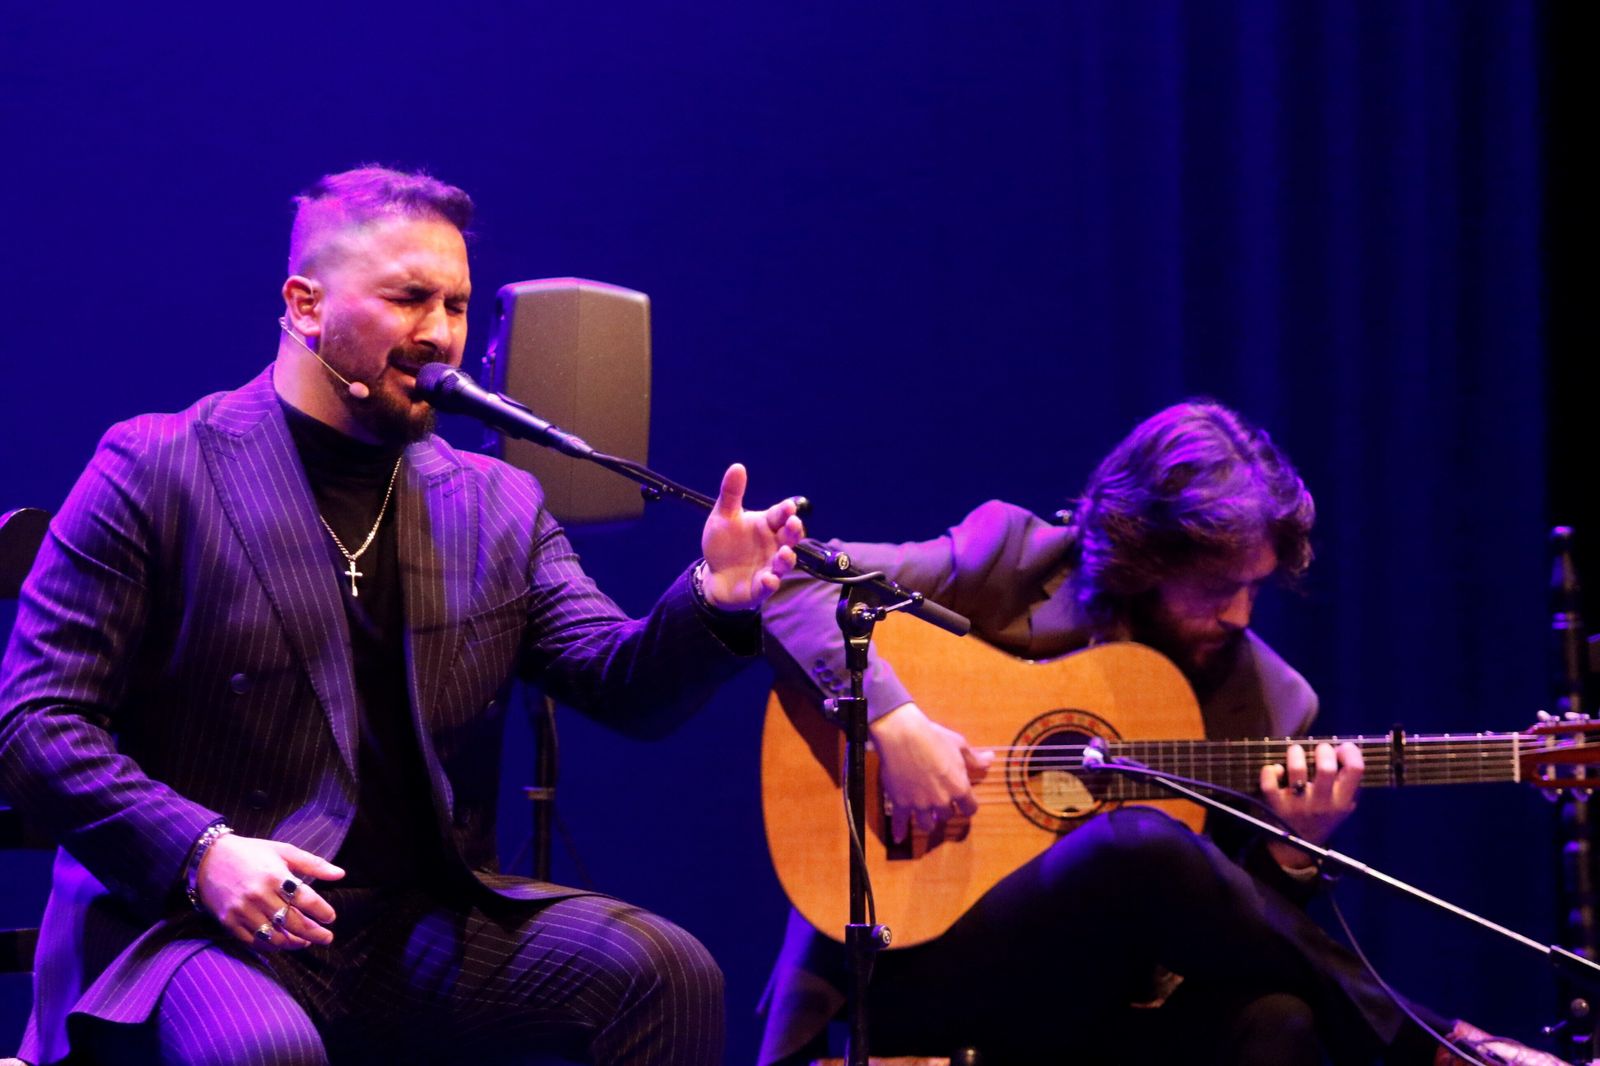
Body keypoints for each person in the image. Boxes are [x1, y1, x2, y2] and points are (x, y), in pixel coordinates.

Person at [0, 166, 804, 1066]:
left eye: (456, 306)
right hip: (192, 927)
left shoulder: (493, 502)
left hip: (409, 928)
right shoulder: (157, 466)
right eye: (409, 298)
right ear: (306, 305)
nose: (440, 335)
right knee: (267, 1051)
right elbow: (38, 723)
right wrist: (203, 851)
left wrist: (715, 599)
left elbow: (620, 687)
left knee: (665, 971)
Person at [756, 402, 1564, 1066]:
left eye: (1254, 588)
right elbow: (787, 578)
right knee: (1133, 843)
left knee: (1280, 1021)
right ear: (1141, 554)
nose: (1240, 615)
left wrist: (1293, 851)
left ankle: (1433, 1045)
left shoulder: (1275, 702)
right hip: (923, 962)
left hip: (1107, 1007)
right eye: (1214, 588)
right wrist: (897, 724)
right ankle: (1441, 1047)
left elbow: (1241, 937)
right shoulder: (1014, 561)